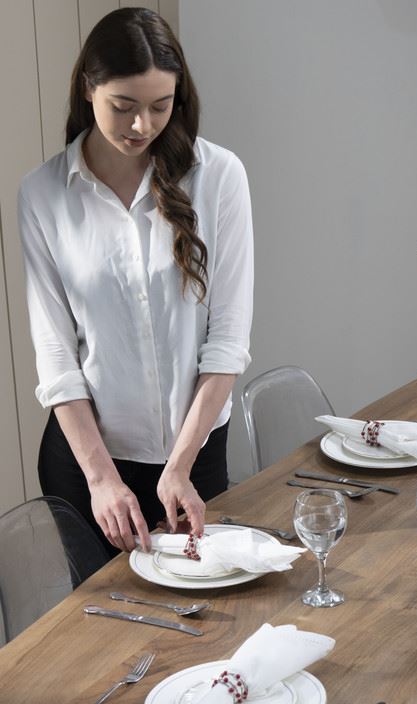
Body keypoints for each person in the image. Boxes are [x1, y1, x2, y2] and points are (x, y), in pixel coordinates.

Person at [18, 7, 253, 561]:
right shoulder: (43, 194)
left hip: (193, 458)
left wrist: (179, 466)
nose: (142, 126)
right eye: (122, 107)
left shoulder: (217, 177)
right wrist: (101, 479)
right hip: (88, 468)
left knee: (204, 625)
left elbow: (228, 340)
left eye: (160, 106)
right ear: (88, 88)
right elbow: (56, 357)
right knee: (101, 634)